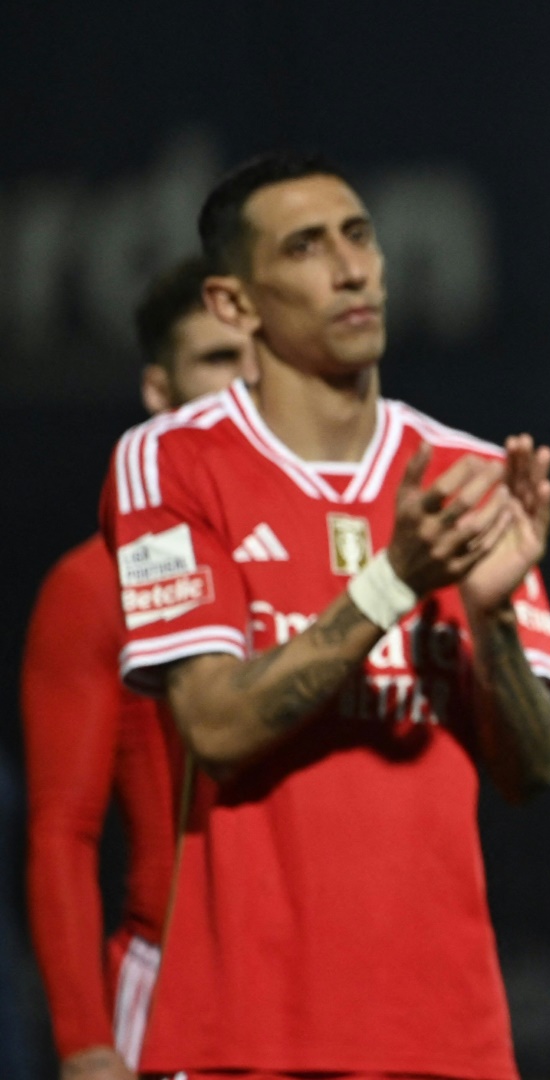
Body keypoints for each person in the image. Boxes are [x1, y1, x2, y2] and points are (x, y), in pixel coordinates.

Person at [99, 151, 550, 1079]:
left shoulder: (464, 473)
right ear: (235, 304)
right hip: (246, 1035)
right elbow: (218, 726)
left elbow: (533, 770)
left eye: (360, 237)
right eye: (307, 247)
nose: (352, 269)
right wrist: (393, 582)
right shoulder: (168, 464)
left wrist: (492, 620)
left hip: (445, 1037)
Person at [24, 256, 253, 1080]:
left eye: (260, 358)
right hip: (174, 988)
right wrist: (86, 1042)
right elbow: (62, 831)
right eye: (217, 360)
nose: (245, 385)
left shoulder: (343, 554)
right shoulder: (95, 582)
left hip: (328, 983)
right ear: (159, 389)